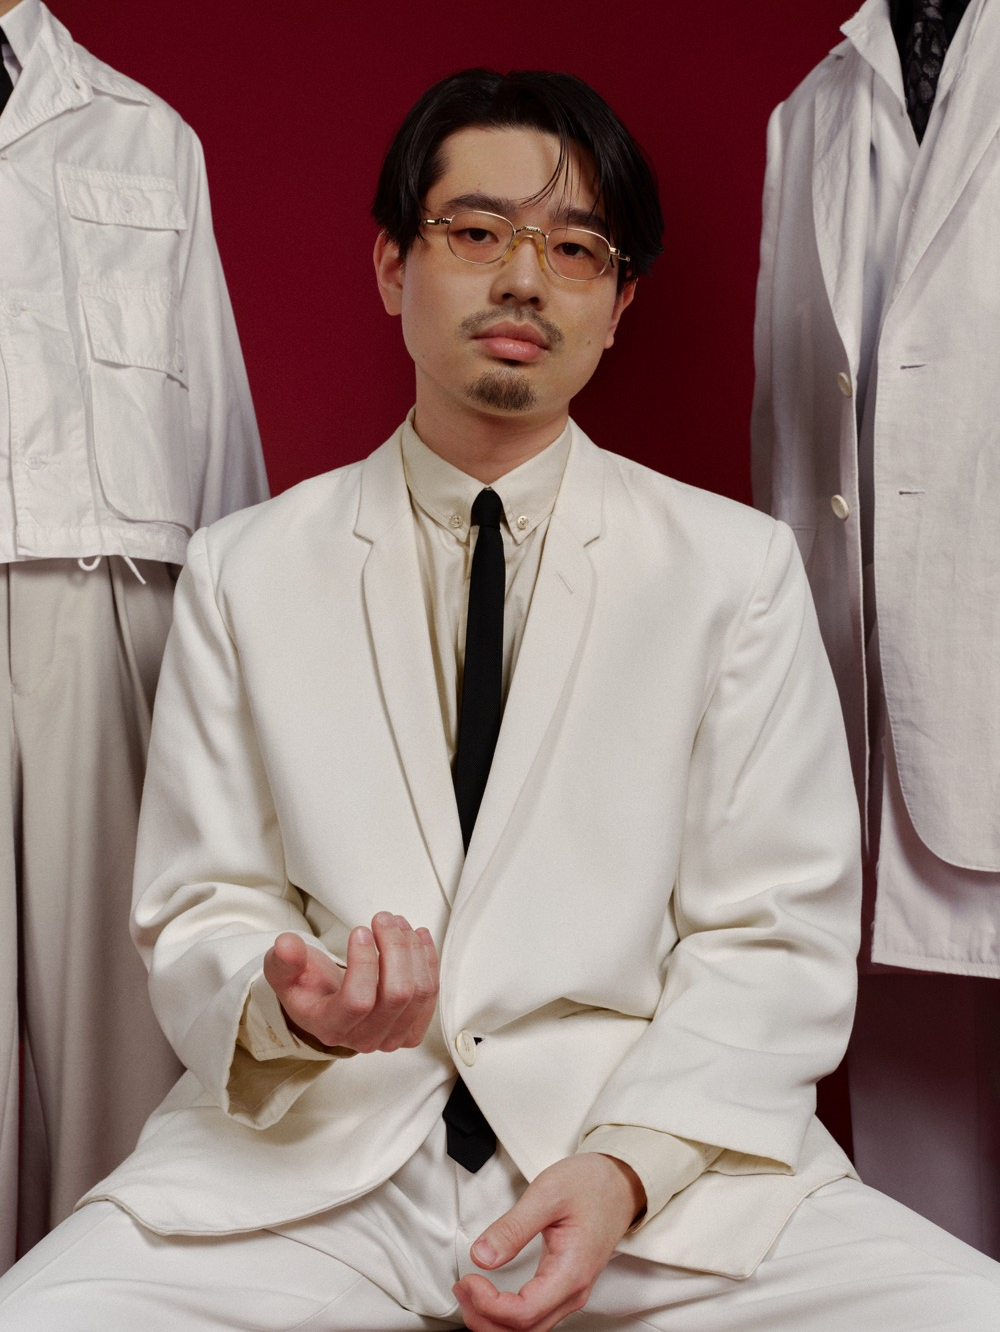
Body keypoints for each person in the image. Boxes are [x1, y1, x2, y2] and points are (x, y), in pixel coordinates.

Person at [2, 65, 998, 1331]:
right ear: (391, 266)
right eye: (477, 232)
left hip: (643, 1164)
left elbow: (771, 936)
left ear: (618, 305)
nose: (525, 278)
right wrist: (293, 1008)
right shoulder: (244, 567)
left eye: (574, 249)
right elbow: (205, 903)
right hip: (316, 1173)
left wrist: (625, 1170)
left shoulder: (733, 570)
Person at [0, 0, 268, 1272]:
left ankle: (102, 1298)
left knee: (123, 1044)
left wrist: (255, 685)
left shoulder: (144, 136)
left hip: (111, 608)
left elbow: (215, 422)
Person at [752, 0, 1000, 1259]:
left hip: (981, 641)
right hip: (863, 723)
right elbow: (786, 441)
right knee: (914, 1183)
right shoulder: (809, 111)